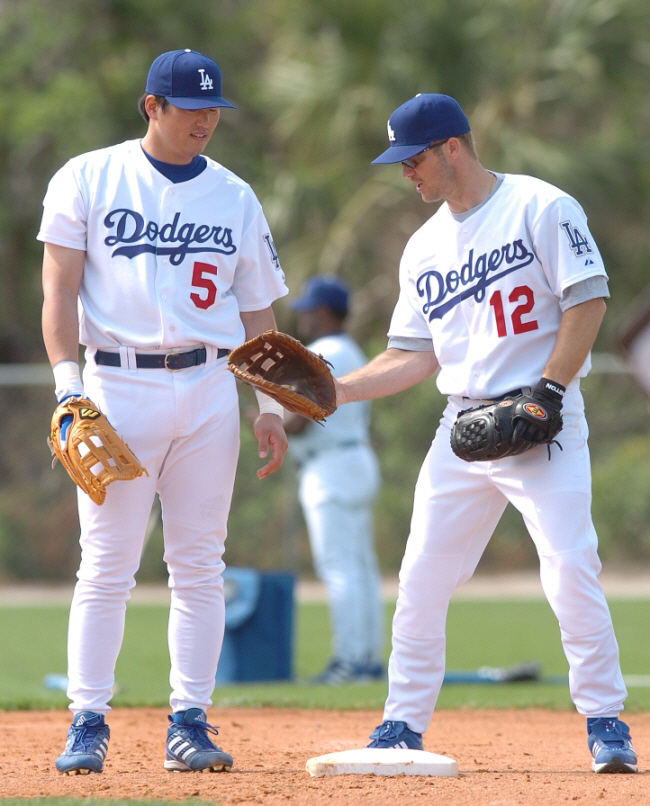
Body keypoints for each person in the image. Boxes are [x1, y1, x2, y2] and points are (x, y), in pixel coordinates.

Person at [333, 93, 637, 774]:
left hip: (541, 415)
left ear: (452, 147)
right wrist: (342, 388)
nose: (405, 173)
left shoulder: (540, 206)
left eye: (413, 159)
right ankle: (401, 724)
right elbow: (414, 354)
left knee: (569, 566)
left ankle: (606, 723)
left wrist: (551, 389)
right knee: (421, 576)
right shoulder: (424, 247)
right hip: (463, 425)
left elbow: (588, 298)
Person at [39, 48, 289, 775]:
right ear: (153, 107)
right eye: (190, 107)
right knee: (108, 563)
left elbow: (256, 309)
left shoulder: (235, 195)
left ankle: (190, 720)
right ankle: (87, 721)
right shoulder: (88, 176)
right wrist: (65, 387)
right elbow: (58, 292)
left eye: (213, 108)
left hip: (211, 385)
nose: (206, 120)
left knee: (200, 565)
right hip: (115, 386)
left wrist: (267, 404)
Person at [284, 275, 383, 684]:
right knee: (360, 567)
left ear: (323, 312)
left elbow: (300, 420)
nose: (304, 318)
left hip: (330, 468)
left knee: (340, 569)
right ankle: (368, 659)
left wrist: (266, 418)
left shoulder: (323, 350)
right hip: (354, 458)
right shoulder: (352, 349)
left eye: (309, 310)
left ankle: (348, 661)